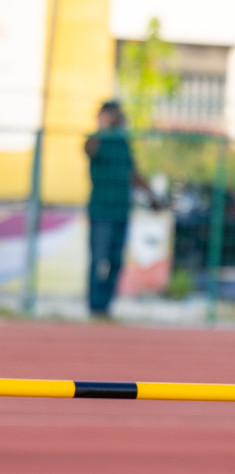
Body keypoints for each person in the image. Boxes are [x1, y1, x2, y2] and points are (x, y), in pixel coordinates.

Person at [83, 100, 152, 319]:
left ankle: (105, 306)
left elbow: (133, 173)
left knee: (116, 260)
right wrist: (102, 126)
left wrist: (153, 197)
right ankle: (94, 307)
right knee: (98, 258)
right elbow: (88, 149)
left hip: (121, 211)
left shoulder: (123, 141)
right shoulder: (98, 139)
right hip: (101, 210)